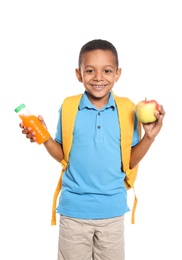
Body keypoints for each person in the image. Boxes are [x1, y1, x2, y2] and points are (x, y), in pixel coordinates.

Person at [19, 39, 165, 260]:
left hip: (113, 212)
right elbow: (63, 156)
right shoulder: (69, 106)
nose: (98, 77)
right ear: (79, 74)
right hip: (73, 213)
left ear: (118, 74)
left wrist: (149, 138)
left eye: (107, 70)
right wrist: (45, 137)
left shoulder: (129, 109)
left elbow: (130, 161)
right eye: (90, 70)